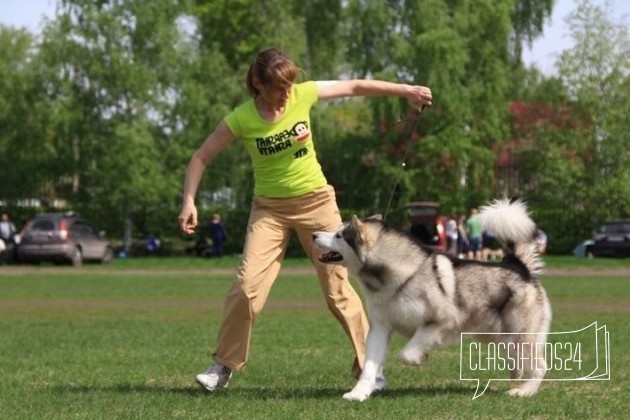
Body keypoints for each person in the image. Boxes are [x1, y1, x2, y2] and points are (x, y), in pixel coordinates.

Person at [178, 47, 433, 393]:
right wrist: (189, 201)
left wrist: (406, 90)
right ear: (257, 83)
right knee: (247, 286)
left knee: (338, 289)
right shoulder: (242, 118)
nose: (286, 94)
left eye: (289, 85)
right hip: (269, 210)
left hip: (316, 204)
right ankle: (223, 365)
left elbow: (355, 87)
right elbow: (200, 157)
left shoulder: (303, 94)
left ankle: (369, 370)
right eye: (279, 87)